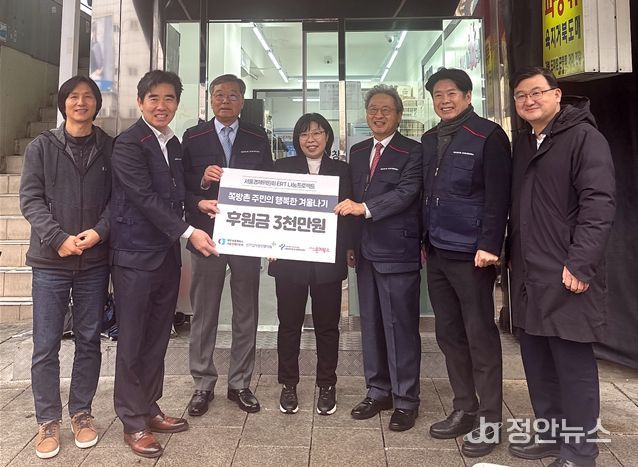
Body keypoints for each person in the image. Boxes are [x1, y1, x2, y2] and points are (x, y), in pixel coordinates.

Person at [507, 67, 615, 467]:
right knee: (538, 362)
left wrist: (581, 263)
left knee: (573, 366)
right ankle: (552, 435)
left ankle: (581, 452)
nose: (529, 100)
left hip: (567, 271)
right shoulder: (527, 142)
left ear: (556, 94)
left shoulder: (584, 138)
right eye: (521, 95)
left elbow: (598, 204)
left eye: (536, 92)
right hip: (530, 273)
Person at [110, 70, 217, 458]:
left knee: (157, 337)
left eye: (169, 98)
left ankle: (149, 406)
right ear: (140, 102)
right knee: (133, 340)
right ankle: (132, 421)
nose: (161, 105)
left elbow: (174, 192)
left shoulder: (172, 143)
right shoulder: (128, 144)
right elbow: (144, 197)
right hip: (135, 257)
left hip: (165, 256)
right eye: (153, 98)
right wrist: (189, 231)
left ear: (177, 103)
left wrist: (198, 202)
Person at [419, 68, 511, 457]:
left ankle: (490, 419)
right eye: (438, 95)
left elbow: (499, 195)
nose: (444, 100)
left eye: (451, 93)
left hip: (473, 253)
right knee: (449, 334)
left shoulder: (488, 135)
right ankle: (464, 407)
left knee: (480, 335)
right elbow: (425, 193)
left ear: (468, 96)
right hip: (437, 251)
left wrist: (490, 244)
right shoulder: (429, 139)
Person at [20, 76, 111, 459]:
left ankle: (82, 412)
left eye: (88, 97)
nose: (81, 102)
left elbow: (119, 200)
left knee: (89, 339)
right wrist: (58, 238)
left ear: (97, 104)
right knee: (46, 343)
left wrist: (99, 231)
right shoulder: (41, 147)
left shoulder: (109, 147)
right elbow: (30, 199)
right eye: (74, 96)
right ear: (63, 103)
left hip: (94, 261)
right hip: (50, 261)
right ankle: (47, 420)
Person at [182, 74, 273, 416]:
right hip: (207, 237)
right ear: (210, 99)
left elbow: (268, 184)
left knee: (246, 312)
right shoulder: (194, 136)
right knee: (204, 313)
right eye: (219, 95)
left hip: (247, 237)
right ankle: (203, 384)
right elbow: (180, 187)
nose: (225, 101)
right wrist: (202, 182)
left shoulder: (257, 136)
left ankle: (240, 383)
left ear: (242, 101)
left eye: (233, 95)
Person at [334, 84, 422, 432]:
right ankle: (378, 391)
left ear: (398, 115)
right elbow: (350, 197)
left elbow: (407, 193)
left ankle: (406, 399)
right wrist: (350, 243)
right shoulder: (357, 152)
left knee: (400, 327)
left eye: (386, 109)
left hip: (397, 251)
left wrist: (365, 208)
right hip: (365, 253)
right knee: (370, 324)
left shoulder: (413, 151)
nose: (378, 115)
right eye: (373, 109)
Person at [268, 113, 353, 415]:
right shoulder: (281, 168)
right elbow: (270, 208)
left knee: (328, 326)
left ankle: (327, 385)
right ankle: (288, 384)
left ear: (327, 137)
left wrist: (350, 247)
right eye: (304, 134)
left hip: (327, 260)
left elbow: (349, 216)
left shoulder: (343, 170)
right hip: (290, 260)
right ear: (297, 140)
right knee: (289, 325)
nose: (311, 139)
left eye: (317, 133)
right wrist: (267, 242)